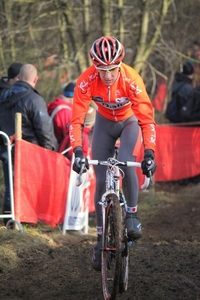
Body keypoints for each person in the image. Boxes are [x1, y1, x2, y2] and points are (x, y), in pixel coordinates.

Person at [69, 36, 157, 271]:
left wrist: (149, 153)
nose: (107, 74)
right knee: (99, 181)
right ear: (94, 66)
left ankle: (132, 216)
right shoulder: (87, 80)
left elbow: (147, 120)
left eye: (112, 69)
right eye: (102, 69)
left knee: (127, 162)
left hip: (129, 123)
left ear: (120, 65)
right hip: (104, 124)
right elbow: (76, 120)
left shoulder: (132, 79)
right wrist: (77, 150)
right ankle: (99, 242)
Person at [0, 63, 54, 224]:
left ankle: (9, 215)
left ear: (18, 78)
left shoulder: (3, 95)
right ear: (35, 79)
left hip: (5, 147)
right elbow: (43, 129)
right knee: (27, 185)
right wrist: (49, 150)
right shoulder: (34, 99)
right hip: (29, 150)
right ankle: (24, 219)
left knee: (10, 182)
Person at [47, 82, 96, 160]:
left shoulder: (57, 106)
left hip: (54, 151)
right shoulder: (66, 112)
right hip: (59, 155)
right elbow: (68, 137)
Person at [0, 62, 23, 223]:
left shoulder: (6, 92)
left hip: (5, 141)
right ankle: (8, 216)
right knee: (10, 181)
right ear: (16, 78)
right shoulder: (7, 95)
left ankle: (7, 215)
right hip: (4, 142)